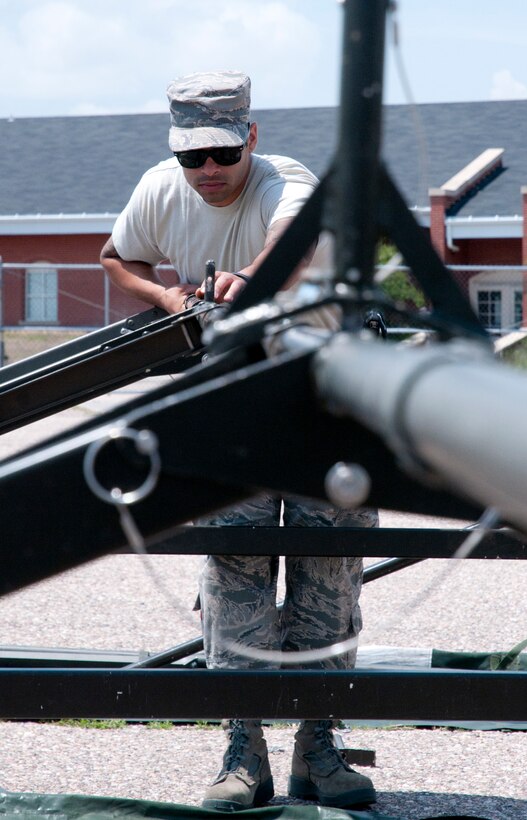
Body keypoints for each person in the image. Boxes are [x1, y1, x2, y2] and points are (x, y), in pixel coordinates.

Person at [100, 70, 378, 812]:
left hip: (323, 414)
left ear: (251, 137)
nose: (209, 171)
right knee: (234, 584)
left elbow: (293, 236)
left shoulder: (285, 179)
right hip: (232, 418)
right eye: (193, 158)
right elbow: (115, 257)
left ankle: (318, 749)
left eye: (223, 151)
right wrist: (169, 298)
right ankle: (243, 750)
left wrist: (249, 278)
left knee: (330, 584)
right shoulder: (162, 188)